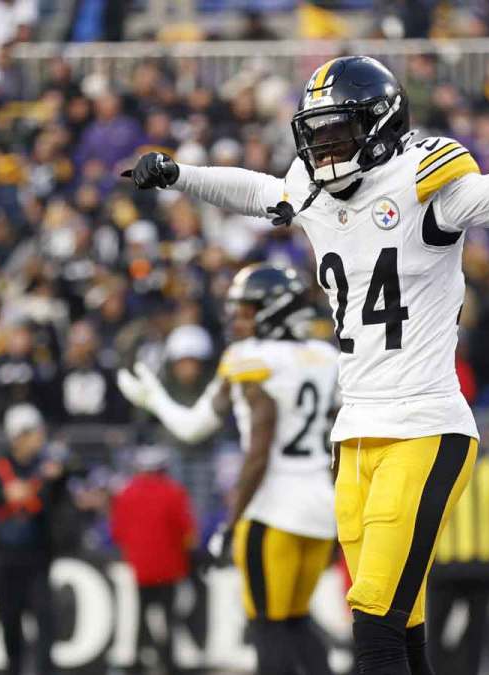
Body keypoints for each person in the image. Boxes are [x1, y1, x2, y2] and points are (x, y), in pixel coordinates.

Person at [123, 25, 489, 673]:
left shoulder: (426, 182)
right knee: (402, 630)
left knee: (374, 626)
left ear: (381, 125)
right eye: (317, 135)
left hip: (423, 425)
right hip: (352, 435)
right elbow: (259, 193)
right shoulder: (311, 189)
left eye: (339, 132)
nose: (325, 149)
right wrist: (179, 174)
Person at [119, 264, 338, 675]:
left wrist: (155, 400)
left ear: (274, 310)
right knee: (296, 621)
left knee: (268, 627)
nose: (237, 320)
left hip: (272, 509)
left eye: (247, 311)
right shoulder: (327, 357)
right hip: (322, 510)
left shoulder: (247, 359)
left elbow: (236, 443)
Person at [0, 404, 69, 675]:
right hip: (5, 556)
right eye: (33, 433)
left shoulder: (49, 466)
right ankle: (13, 668)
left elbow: (60, 504)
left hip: (37, 554)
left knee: (44, 618)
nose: (39, 438)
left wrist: (58, 479)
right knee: (9, 618)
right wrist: (5, 494)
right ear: (18, 436)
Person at [425, 449, 489, 675]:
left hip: (447, 568)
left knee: (435, 636)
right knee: (478, 638)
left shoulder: (434, 464)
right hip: (481, 569)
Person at [109, 445, 196, 675]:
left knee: (140, 614)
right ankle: (168, 662)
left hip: (139, 567)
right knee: (168, 616)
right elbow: (186, 531)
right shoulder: (174, 492)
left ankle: (138, 659)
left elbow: (117, 533)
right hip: (169, 567)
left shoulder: (126, 494)